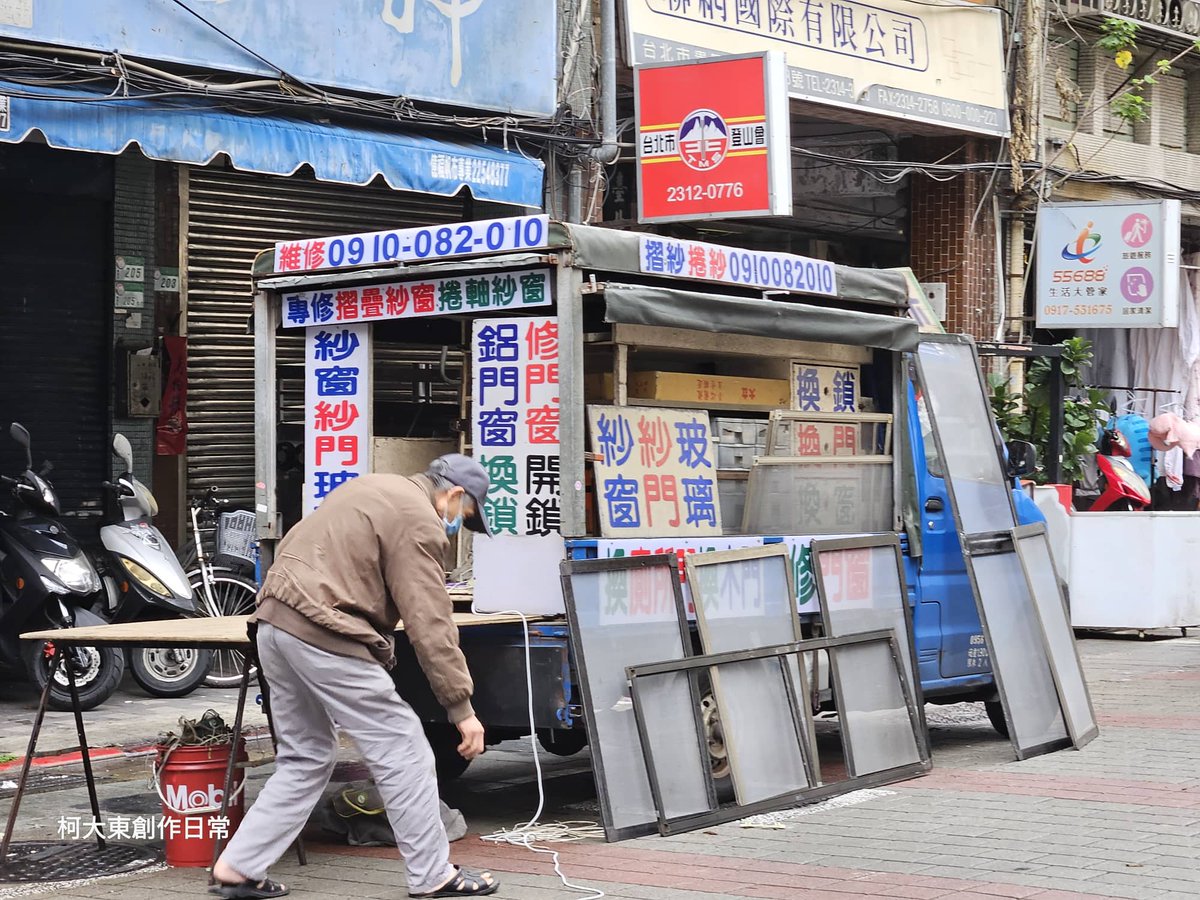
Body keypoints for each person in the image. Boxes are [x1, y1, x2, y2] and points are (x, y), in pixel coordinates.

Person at [209, 454, 499, 899]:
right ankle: (433, 876)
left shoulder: (368, 487)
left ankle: (238, 867)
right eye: (466, 515)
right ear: (454, 494)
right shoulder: (419, 518)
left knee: (306, 754)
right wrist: (461, 707)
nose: (457, 525)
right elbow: (430, 621)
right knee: (403, 748)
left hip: (273, 625)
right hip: (326, 631)